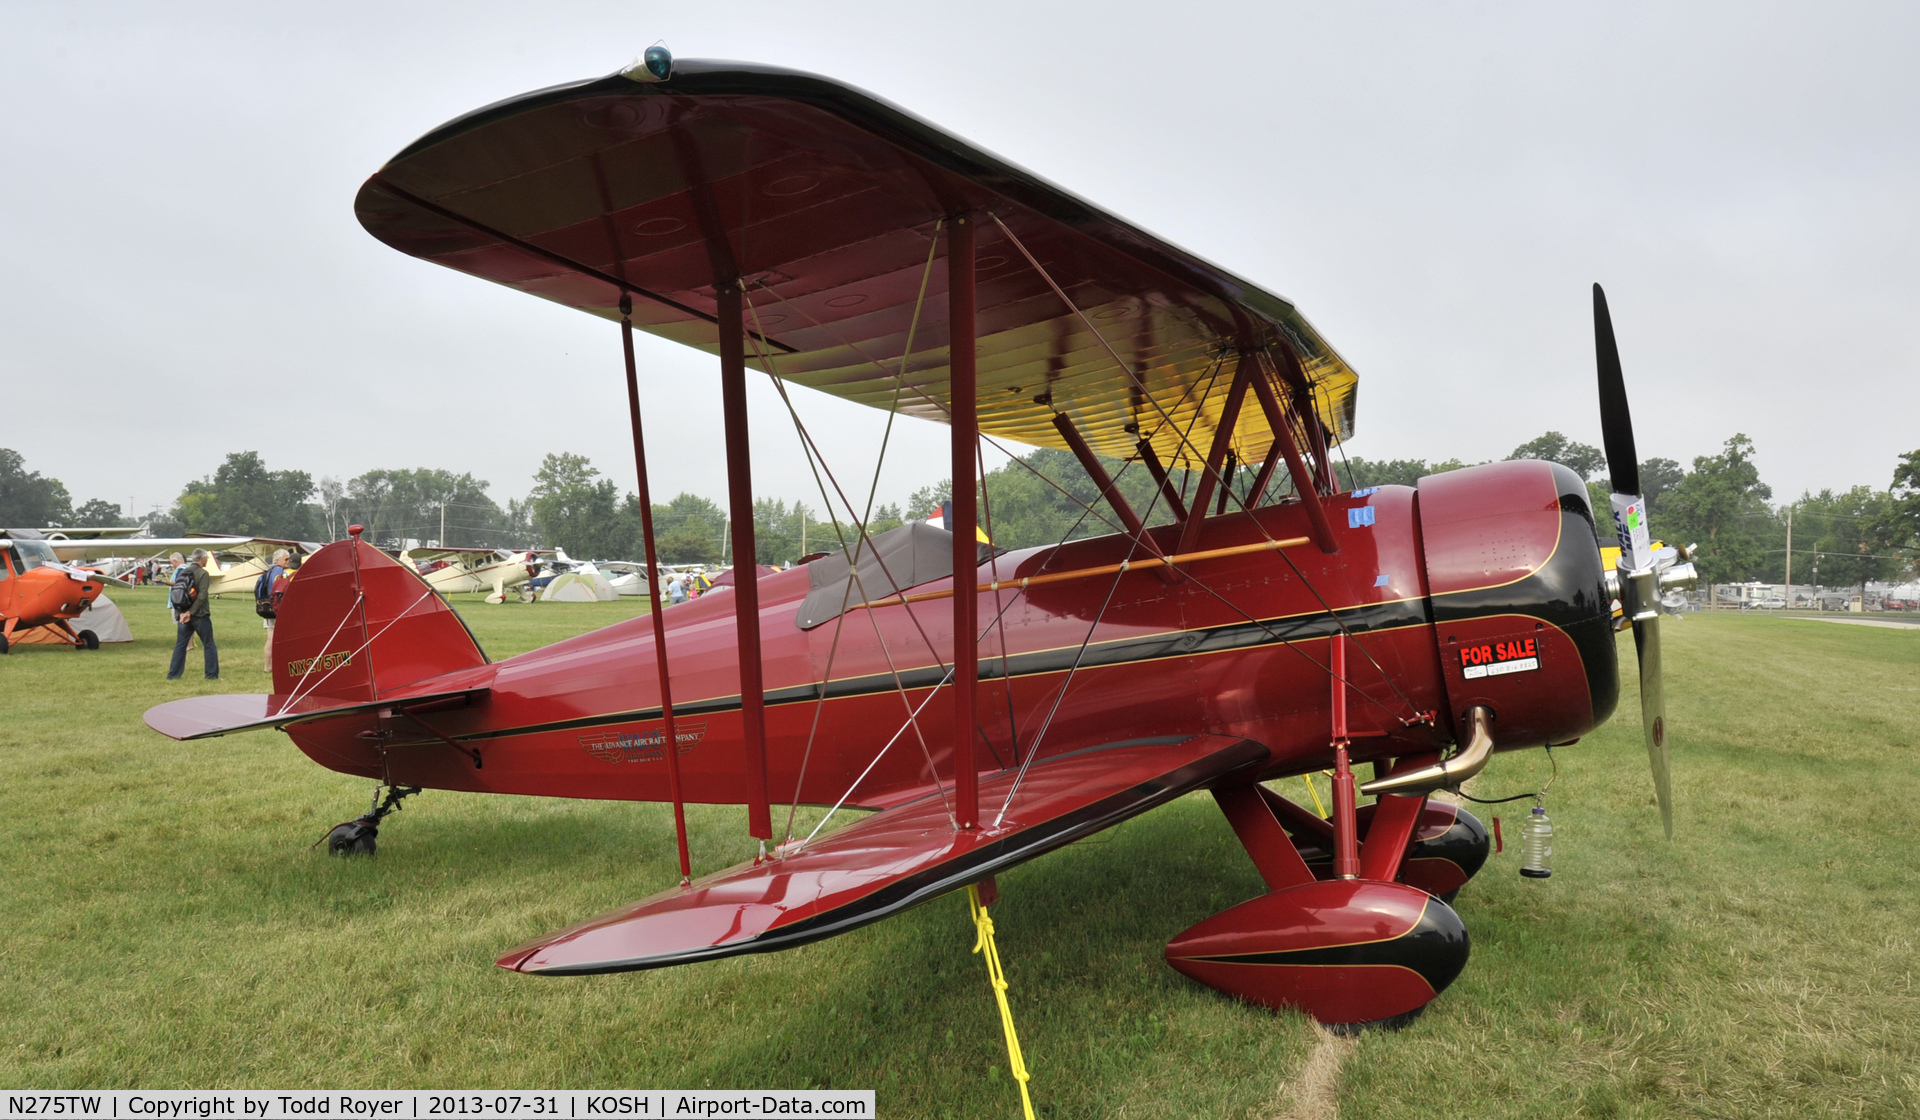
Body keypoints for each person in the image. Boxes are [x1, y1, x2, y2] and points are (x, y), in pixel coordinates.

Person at [167, 548, 219, 680]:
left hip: (183, 614)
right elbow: (201, 597)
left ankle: (173, 675)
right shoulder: (203, 574)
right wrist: (191, 612)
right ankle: (211, 675)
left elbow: (177, 593)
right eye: (206, 558)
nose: (206, 560)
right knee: (209, 644)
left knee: (180, 644)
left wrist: (182, 613)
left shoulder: (183, 572)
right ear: (202, 559)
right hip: (200, 615)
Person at [258, 548, 291, 673]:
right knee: (274, 639)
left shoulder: (269, 570)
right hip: (275, 609)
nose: (288, 561)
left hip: (267, 607)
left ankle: (268, 666)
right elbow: (278, 589)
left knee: (270, 638)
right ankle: (273, 665)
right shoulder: (278, 570)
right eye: (286, 559)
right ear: (278, 560)